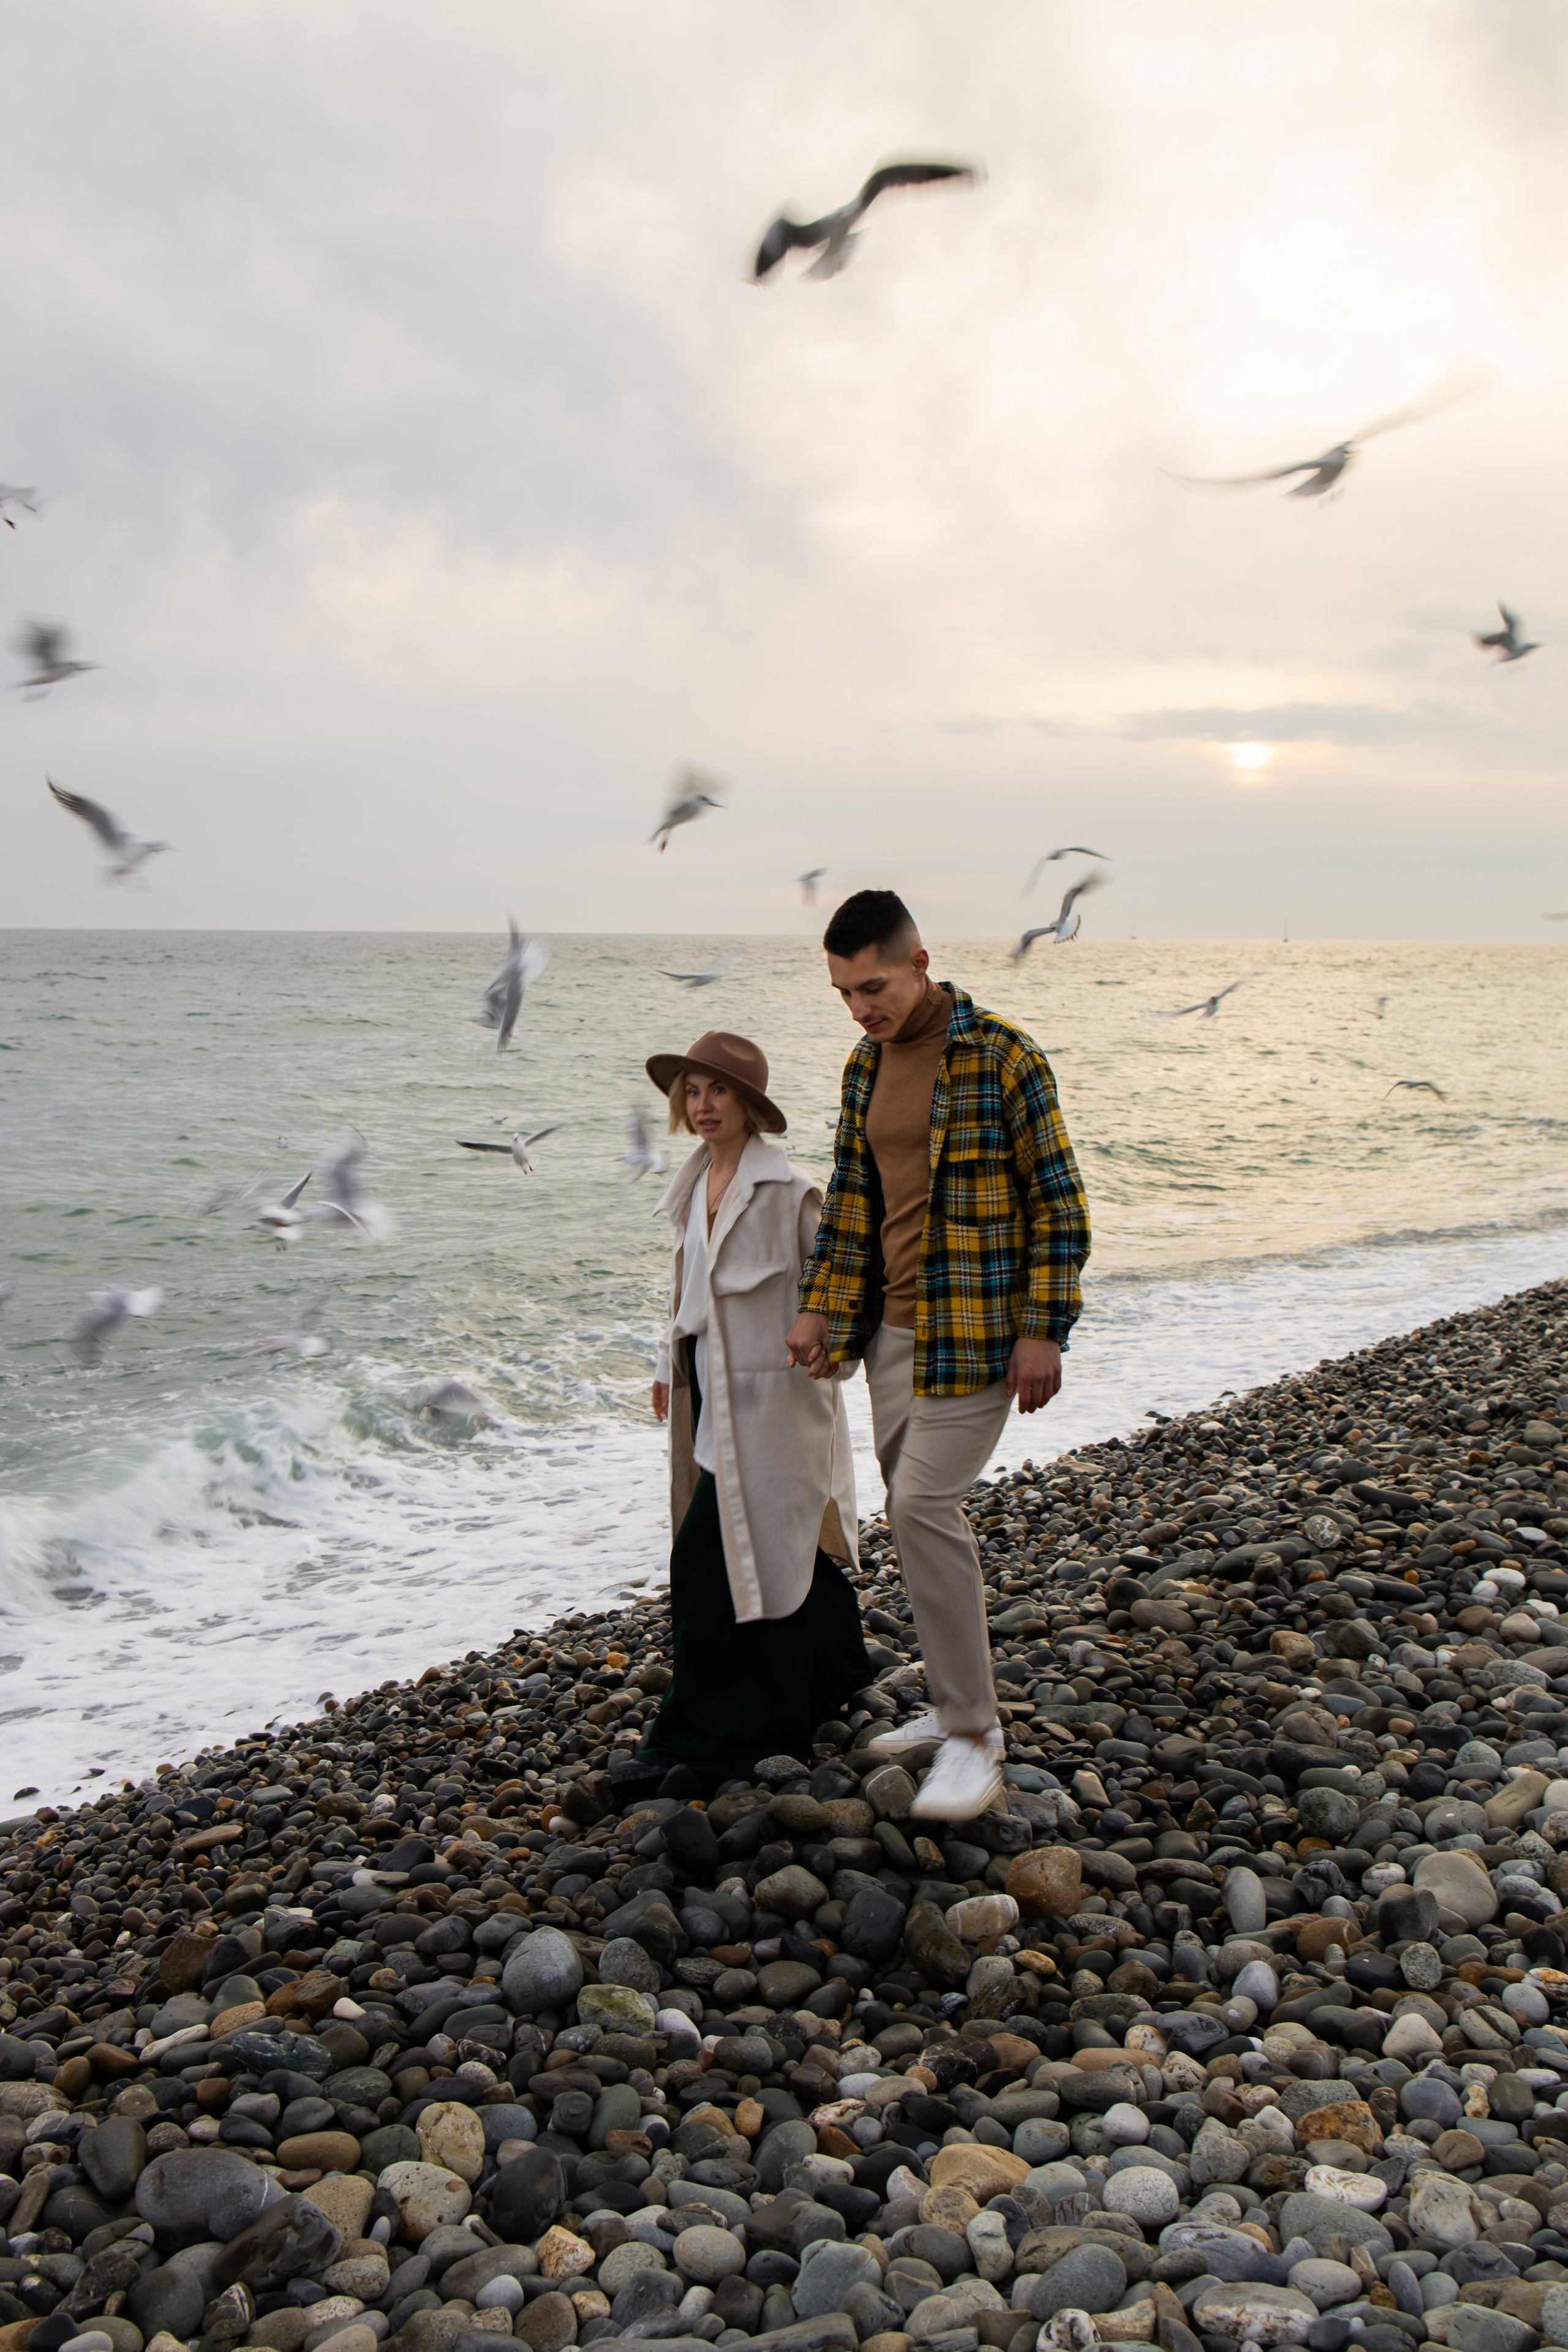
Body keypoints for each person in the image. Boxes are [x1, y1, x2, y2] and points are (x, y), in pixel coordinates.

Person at [786, 889, 1090, 1820]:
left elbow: (1060, 1203)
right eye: (843, 992)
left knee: (921, 1507)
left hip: (980, 1336)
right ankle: (957, 1703)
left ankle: (973, 1735)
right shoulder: (862, 1067)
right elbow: (850, 1206)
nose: (859, 1008)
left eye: (871, 986)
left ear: (920, 963)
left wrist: (1046, 1328)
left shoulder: (1002, 1054)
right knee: (918, 1522)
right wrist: (823, 1313)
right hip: (892, 1336)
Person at [639, 1028, 869, 1786]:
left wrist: (830, 1343)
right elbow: (688, 1291)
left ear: (750, 1105)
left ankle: (706, 1729)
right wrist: (668, 1368)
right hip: (710, 1387)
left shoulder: (789, 1191)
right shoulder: (692, 1182)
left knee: (713, 1557)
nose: (703, 1106)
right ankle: (837, 1672)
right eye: (693, 1092)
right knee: (775, 1542)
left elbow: (837, 1280)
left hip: (775, 1398)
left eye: (719, 1092)